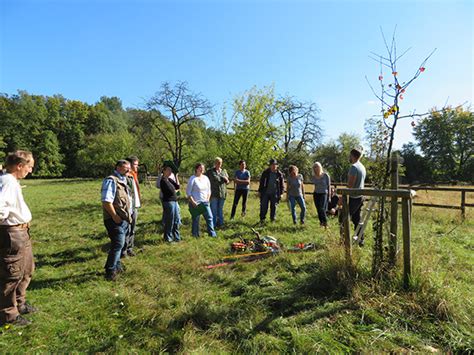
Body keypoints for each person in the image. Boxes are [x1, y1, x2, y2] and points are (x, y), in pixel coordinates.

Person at [0, 151, 36, 326]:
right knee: (11, 274)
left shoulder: (12, 181)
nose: (30, 171)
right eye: (29, 167)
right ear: (19, 166)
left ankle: (19, 304)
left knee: (26, 269)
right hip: (12, 233)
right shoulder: (7, 182)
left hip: (21, 232)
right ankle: (8, 314)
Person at [101, 160, 132, 281]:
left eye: (129, 168)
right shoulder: (111, 180)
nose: (128, 170)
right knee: (118, 243)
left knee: (122, 243)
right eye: (126, 168)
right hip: (113, 219)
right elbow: (106, 201)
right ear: (118, 168)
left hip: (123, 219)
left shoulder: (123, 180)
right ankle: (110, 271)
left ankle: (117, 265)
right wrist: (114, 216)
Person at [186, 163, 217, 238]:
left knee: (209, 217)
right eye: (200, 168)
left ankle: (212, 234)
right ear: (196, 169)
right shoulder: (192, 178)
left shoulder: (206, 178)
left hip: (205, 202)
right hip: (195, 203)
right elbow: (188, 192)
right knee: (196, 220)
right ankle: (195, 235)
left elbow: (209, 190)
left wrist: (207, 199)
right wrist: (193, 202)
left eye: (203, 168)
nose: (202, 169)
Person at [122, 156, 141, 257]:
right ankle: (123, 250)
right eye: (135, 165)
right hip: (128, 207)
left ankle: (130, 248)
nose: (137, 167)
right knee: (127, 228)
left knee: (133, 228)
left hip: (135, 206)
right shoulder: (125, 177)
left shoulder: (134, 175)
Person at [347, 148, 366, 245]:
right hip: (360, 197)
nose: (349, 157)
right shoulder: (362, 167)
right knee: (357, 219)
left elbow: (350, 185)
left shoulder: (354, 167)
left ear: (353, 156)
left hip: (354, 198)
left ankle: (344, 241)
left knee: (343, 218)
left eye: (350, 155)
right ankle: (360, 240)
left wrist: (342, 197)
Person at [258, 159, 284, 223]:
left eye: (275, 165)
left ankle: (272, 220)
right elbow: (261, 182)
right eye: (272, 165)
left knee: (274, 207)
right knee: (264, 206)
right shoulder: (265, 172)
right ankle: (262, 219)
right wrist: (259, 191)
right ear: (270, 165)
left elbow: (282, 184)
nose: (273, 166)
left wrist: (281, 193)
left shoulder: (279, 174)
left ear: (277, 165)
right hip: (265, 192)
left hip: (275, 193)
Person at [206, 157, 229, 228]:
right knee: (214, 210)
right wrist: (223, 178)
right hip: (214, 194)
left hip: (222, 193)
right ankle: (213, 225)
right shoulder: (210, 171)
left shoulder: (224, 171)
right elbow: (215, 179)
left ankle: (221, 224)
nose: (219, 164)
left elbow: (227, 181)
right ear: (215, 163)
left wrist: (226, 180)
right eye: (217, 163)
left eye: (220, 163)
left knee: (220, 210)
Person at [160, 166, 181, 242]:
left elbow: (177, 186)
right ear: (164, 171)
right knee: (170, 220)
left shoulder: (169, 179)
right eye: (168, 170)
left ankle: (177, 237)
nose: (170, 172)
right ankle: (168, 238)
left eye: (171, 170)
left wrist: (176, 176)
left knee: (176, 220)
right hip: (168, 202)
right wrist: (175, 192)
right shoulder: (163, 180)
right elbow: (170, 191)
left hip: (174, 201)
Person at [312, 162, 331, 227]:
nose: (315, 168)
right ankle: (321, 223)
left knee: (322, 208)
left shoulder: (326, 175)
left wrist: (329, 196)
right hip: (316, 194)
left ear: (320, 167)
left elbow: (329, 186)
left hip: (323, 193)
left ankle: (325, 222)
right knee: (318, 209)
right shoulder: (313, 177)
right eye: (314, 167)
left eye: (317, 167)